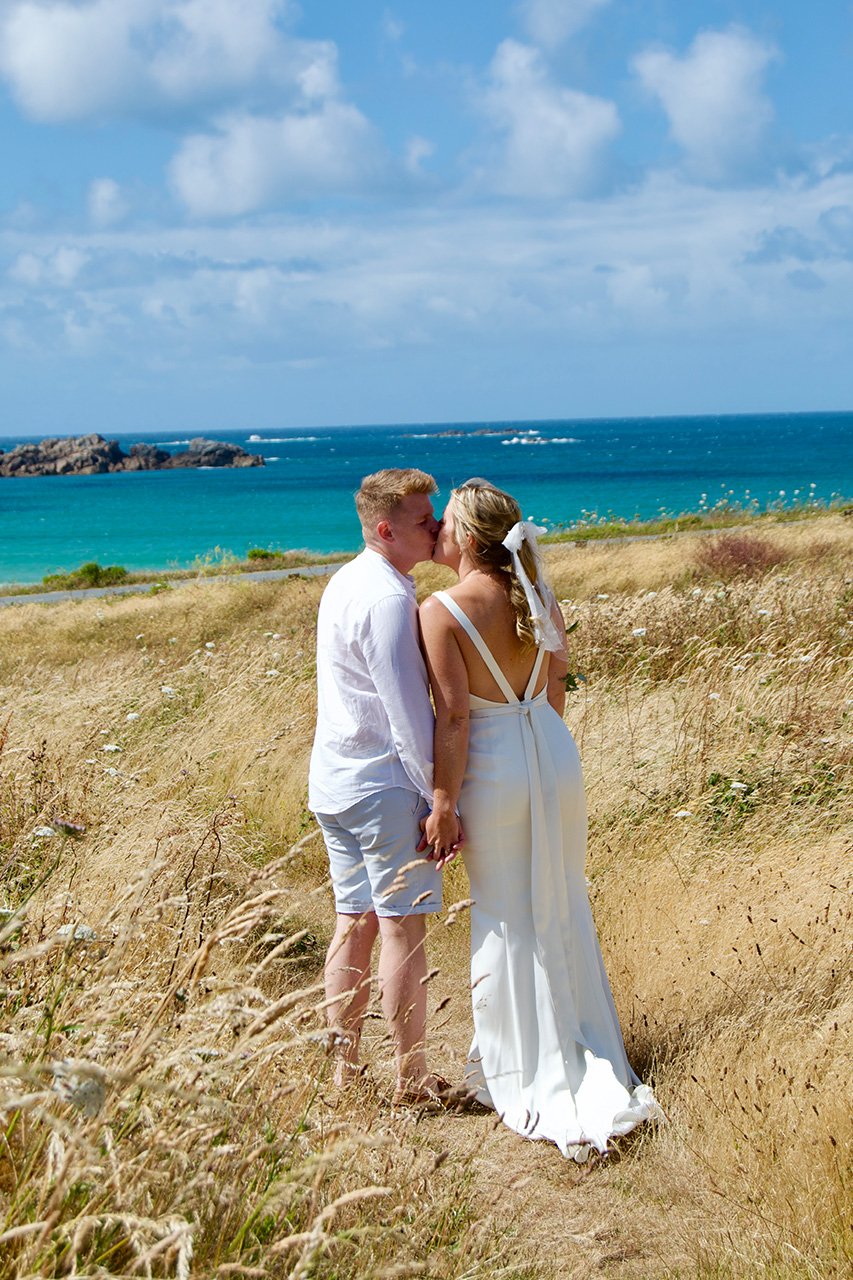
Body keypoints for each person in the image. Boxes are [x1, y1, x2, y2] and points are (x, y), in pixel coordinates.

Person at [419, 478, 660, 1160]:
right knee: (557, 897)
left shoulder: (439, 610)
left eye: (445, 524)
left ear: (467, 538)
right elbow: (552, 692)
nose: (433, 529)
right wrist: (541, 762)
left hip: (495, 768)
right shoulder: (538, 595)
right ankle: (570, 1040)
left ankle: (521, 1063)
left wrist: (442, 801)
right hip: (552, 757)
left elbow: (456, 718)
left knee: (503, 911)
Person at [308, 468, 463, 1105]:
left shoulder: (346, 581)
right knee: (401, 929)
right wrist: (439, 801)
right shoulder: (389, 599)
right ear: (386, 528)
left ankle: (344, 1073)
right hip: (382, 787)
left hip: (335, 782)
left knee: (354, 922)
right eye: (426, 520)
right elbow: (409, 714)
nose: (435, 528)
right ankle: (412, 1078)